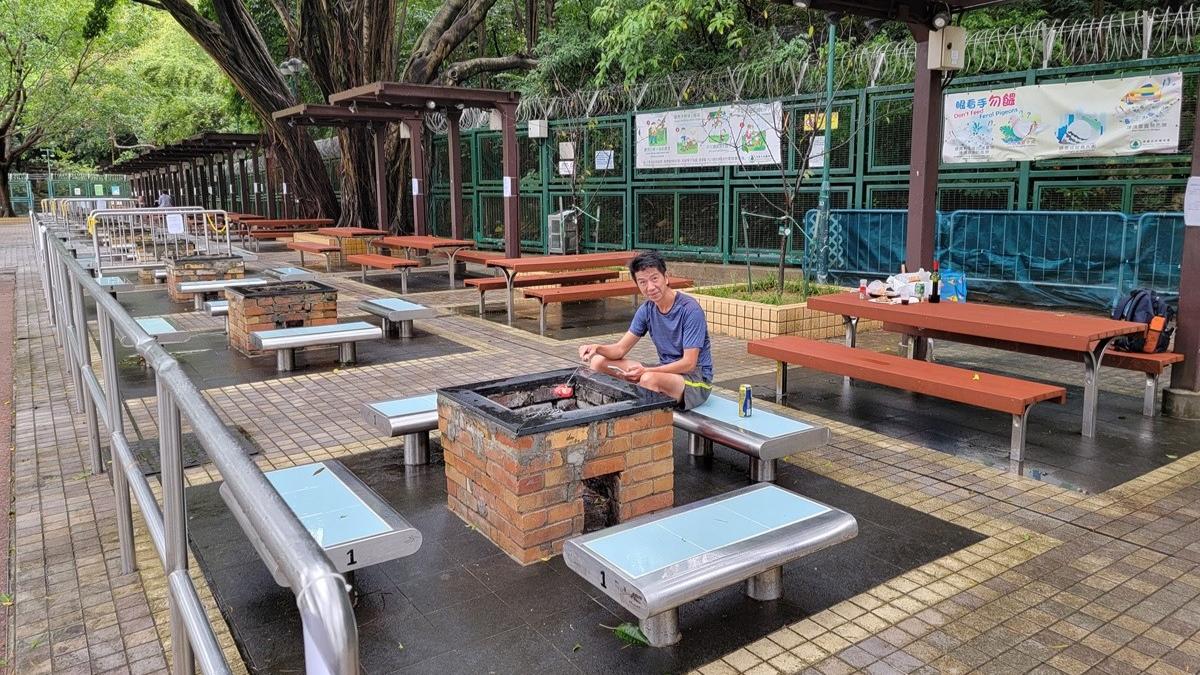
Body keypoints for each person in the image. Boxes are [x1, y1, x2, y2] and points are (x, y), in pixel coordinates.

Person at [579, 250, 713, 410]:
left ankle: (641, 426)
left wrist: (646, 370)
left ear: (666, 277)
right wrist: (597, 348)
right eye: (642, 282)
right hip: (664, 371)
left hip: (696, 381)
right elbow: (620, 349)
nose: (650, 287)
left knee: (648, 379)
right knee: (598, 362)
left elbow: (689, 364)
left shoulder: (690, 310)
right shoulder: (647, 309)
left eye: (654, 278)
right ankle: (609, 410)